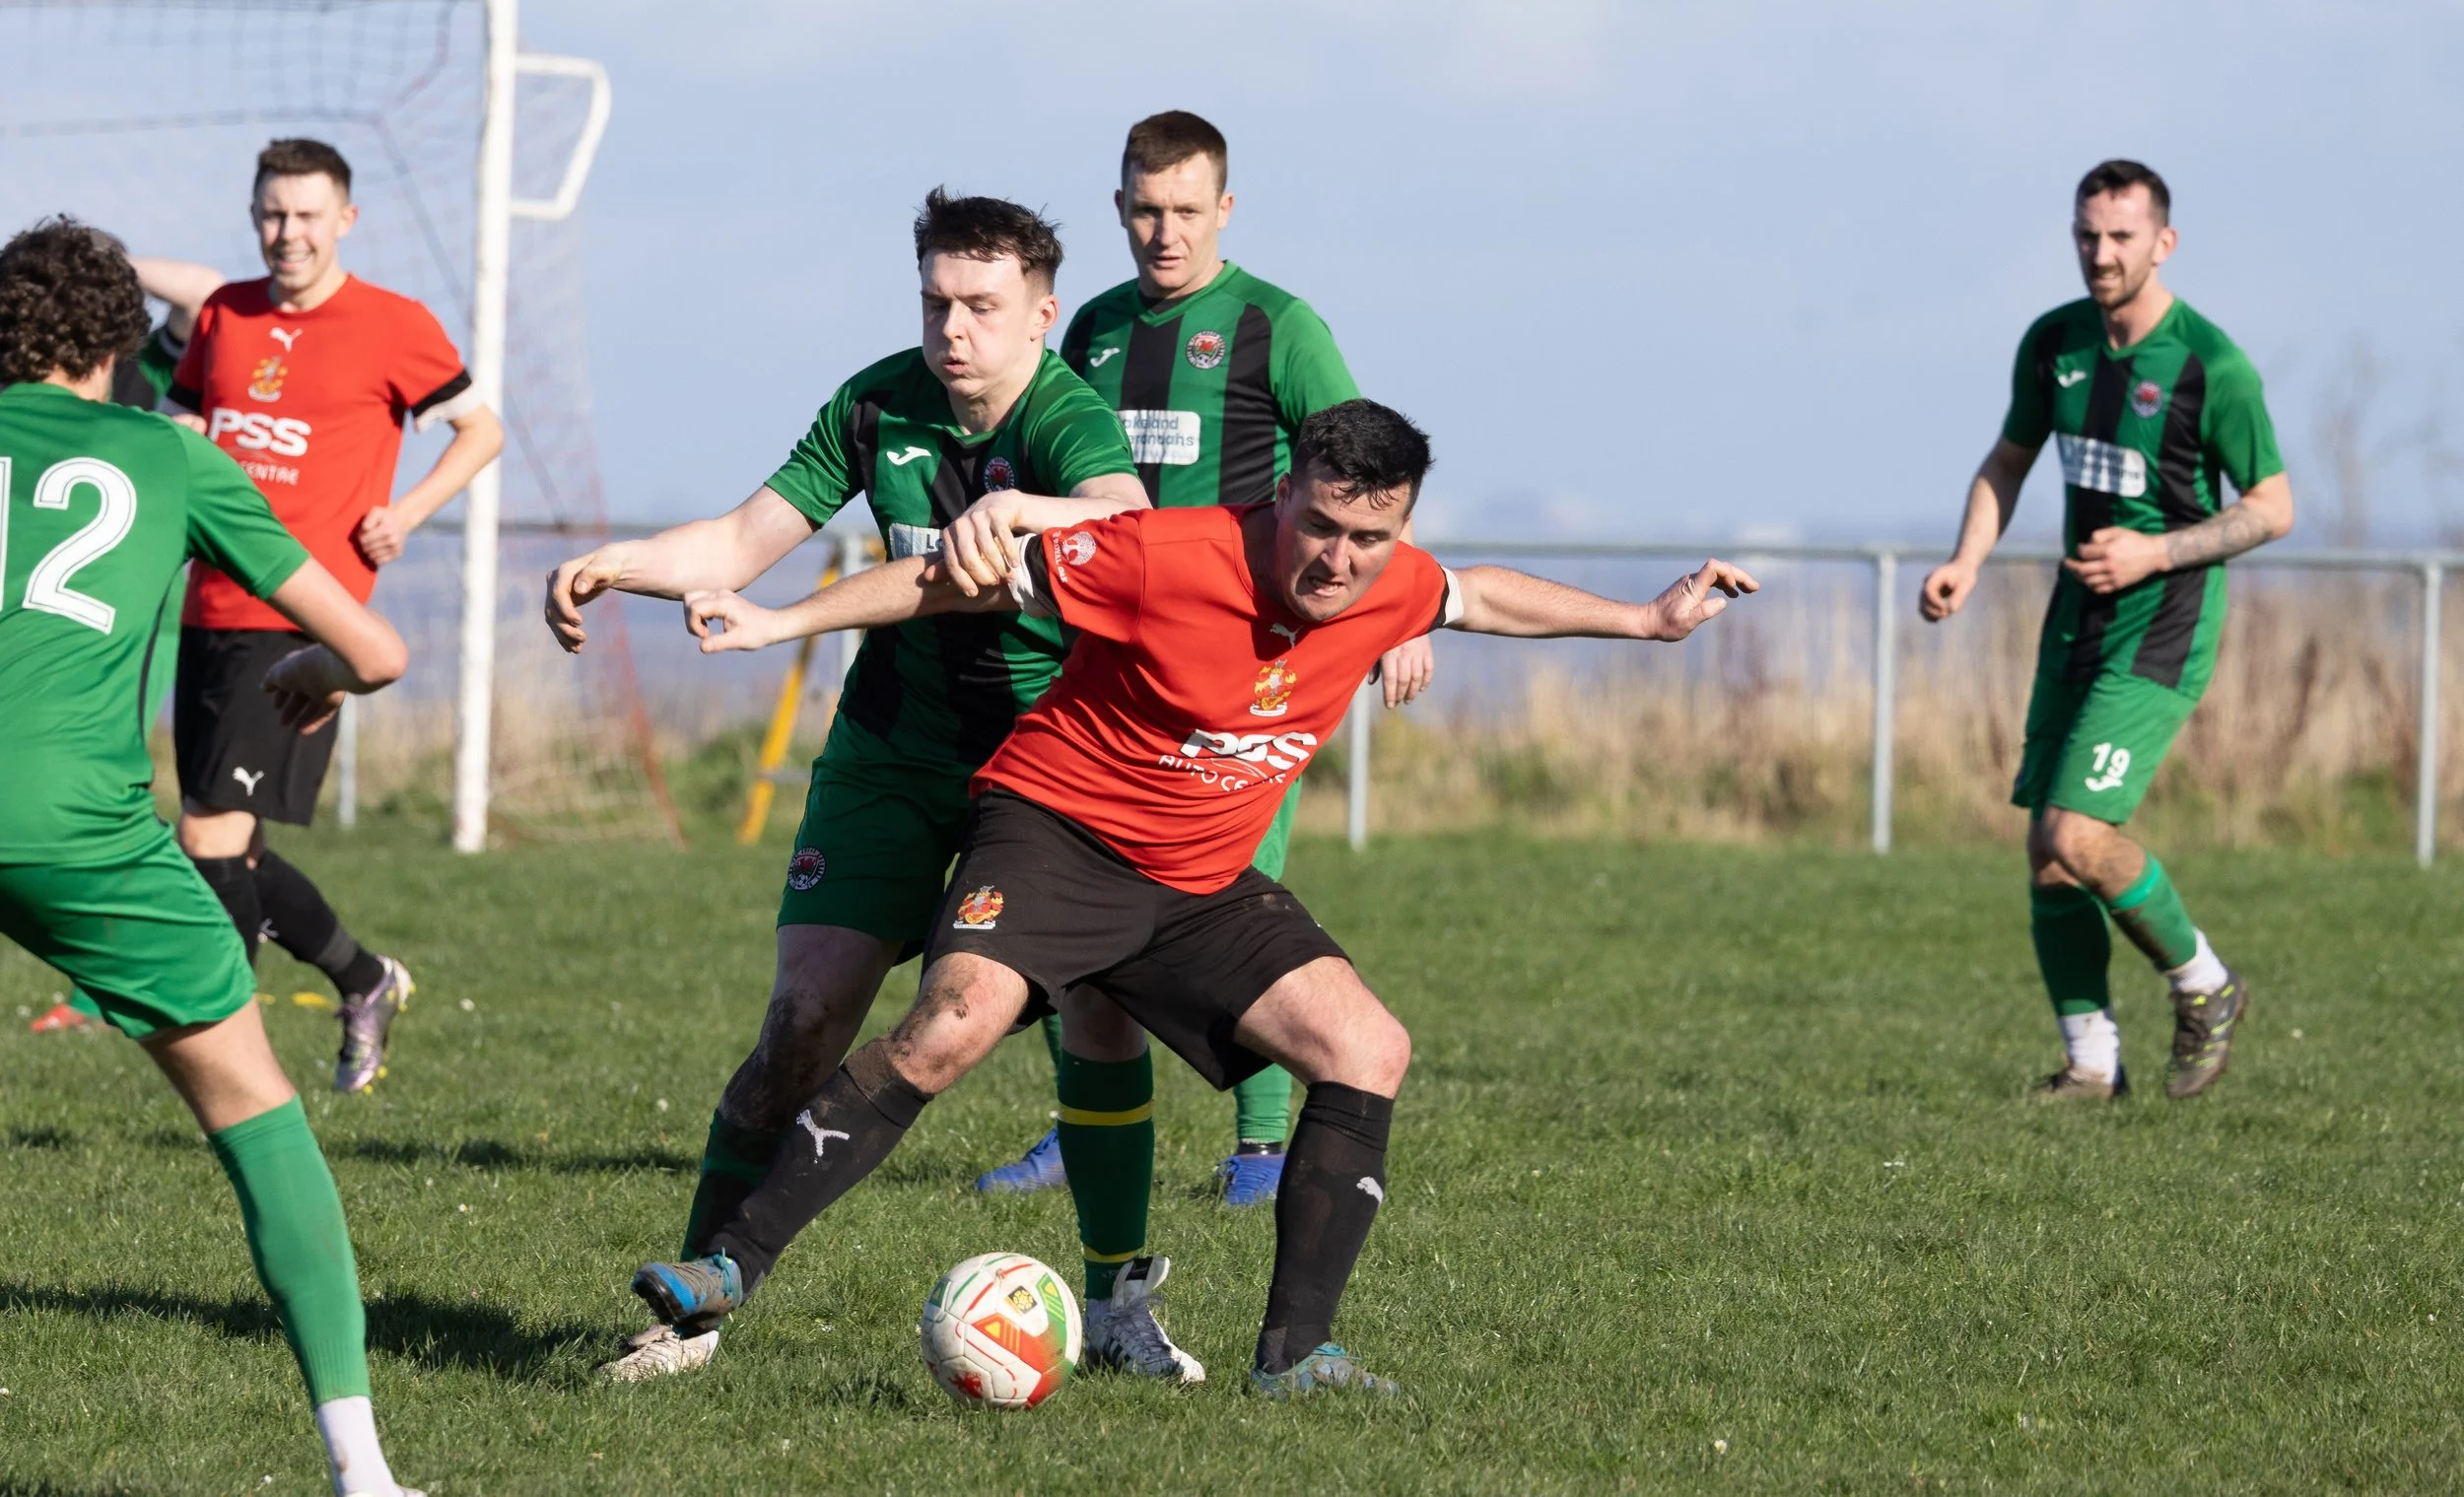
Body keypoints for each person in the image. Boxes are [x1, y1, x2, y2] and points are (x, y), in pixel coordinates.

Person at [643, 400, 1755, 1394]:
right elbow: (955, 578)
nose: (1337, 557)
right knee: (952, 1024)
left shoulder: (1392, 581)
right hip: (1054, 837)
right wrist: (778, 621)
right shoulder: (1164, 553)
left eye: (1369, 536)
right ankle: (729, 1265)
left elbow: (1479, 596)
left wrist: (1646, 622)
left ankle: (1294, 1357)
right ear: (1283, 497)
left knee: (1367, 1046)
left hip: (1200, 883)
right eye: (1319, 523)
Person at [545, 189, 1205, 1383]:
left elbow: (1129, 518)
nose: (954, 329)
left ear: (1041, 315)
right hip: (891, 753)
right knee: (802, 1016)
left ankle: (1116, 1304)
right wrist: (618, 565)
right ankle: (689, 1311)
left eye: (982, 307)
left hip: (1045, 768)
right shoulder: (875, 401)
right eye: (936, 301)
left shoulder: (1066, 420)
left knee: (1101, 1013)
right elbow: (745, 541)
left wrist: (1022, 511)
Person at [0, 217, 422, 1495]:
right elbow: (378, 652)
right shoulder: (169, 456)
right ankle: (358, 1465)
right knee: (253, 1106)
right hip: (70, 828)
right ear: (127, 341)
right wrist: (310, 668)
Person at [977, 110, 1435, 1231]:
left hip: (1246, 667)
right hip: (1110, 665)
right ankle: (1090, 1114)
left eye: (1185, 210)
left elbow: (1363, 475)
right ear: (1118, 204)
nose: (1162, 231)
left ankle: (1264, 1143)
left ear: (1224, 209)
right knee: (1078, 900)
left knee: (1233, 897)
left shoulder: (1276, 325)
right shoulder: (1087, 327)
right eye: (1143, 208)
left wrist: (1401, 613)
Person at [1920, 160, 2292, 1101]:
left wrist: (2157, 555)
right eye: (2088, 234)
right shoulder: (2055, 343)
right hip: (2074, 620)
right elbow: (2007, 460)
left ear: (2163, 243)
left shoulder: (2212, 364)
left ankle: (2207, 985)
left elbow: (2272, 509)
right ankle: (2092, 1066)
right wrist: (1966, 560)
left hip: (2163, 622)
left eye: (2122, 236)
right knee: (2046, 855)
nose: (2102, 253)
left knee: (2077, 833)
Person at [162, 139, 504, 1094]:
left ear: (344, 220)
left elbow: (483, 428)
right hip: (207, 608)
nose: (289, 233)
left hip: (309, 619)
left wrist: (408, 510)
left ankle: (228, 1071)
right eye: (273, 213)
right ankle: (365, 978)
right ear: (253, 214)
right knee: (232, 839)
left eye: (308, 215)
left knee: (206, 838)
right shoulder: (224, 315)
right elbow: (185, 435)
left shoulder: (393, 324)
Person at [29, 254, 228, 1034]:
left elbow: (209, 293)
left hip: (123, 613)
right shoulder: (26, 381)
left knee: (106, 779)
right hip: (36, 612)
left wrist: (103, 264)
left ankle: (92, 994)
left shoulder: (144, 365)